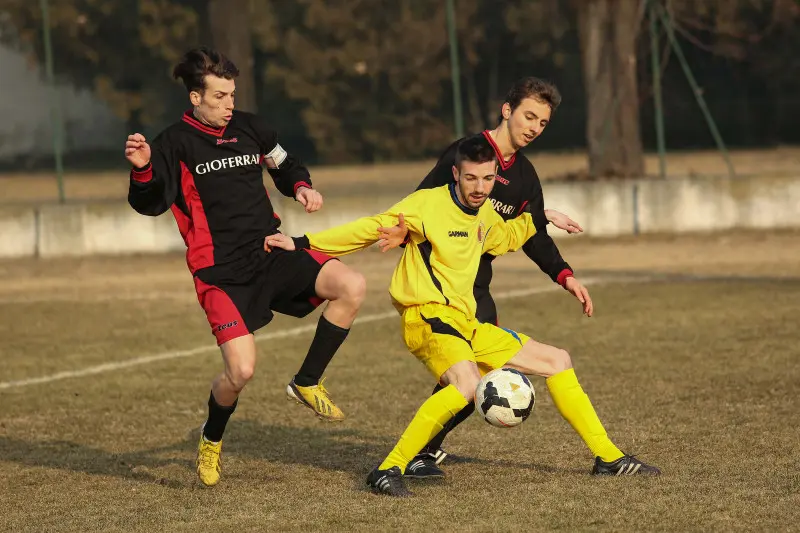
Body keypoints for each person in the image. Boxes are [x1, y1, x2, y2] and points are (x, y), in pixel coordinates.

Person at [265, 134, 660, 497]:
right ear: (456, 174)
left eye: (487, 179)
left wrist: (542, 217)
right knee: (467, 384)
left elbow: (505, 236)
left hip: (466, 323)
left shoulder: (485, 213)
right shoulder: (427, 205)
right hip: (427, 317)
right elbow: (368, 228)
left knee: (558, 360)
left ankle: (608, 458)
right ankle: (388, 469)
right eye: (471, 178)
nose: (479, 188)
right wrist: (302, 243)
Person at [125, 46, 366, 487]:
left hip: (270, 251)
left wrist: (301, 187)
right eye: (219, 96)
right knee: (241, 372)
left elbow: (285, 165)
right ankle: (212, 438)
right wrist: (143, 170)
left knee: (351, 285)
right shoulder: (173, 143)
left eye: (232, 95)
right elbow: (151, 201)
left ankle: (307, 381)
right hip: (220, 273)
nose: (228, 104)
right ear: (195, 97)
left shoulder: (252, 128)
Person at [395, 77, 596, 477]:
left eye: (543, 122)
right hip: (441, 286)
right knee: (467, 374)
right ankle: (416, 453)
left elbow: (532, 234)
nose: (534, 128)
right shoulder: (467, 154)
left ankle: (422, 451)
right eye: (529, 116)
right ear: (507, 110)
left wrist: (565, 275)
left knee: (475, 373)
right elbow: (419, 205)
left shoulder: (525, 176)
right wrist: (406, 237)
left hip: (477, 287)